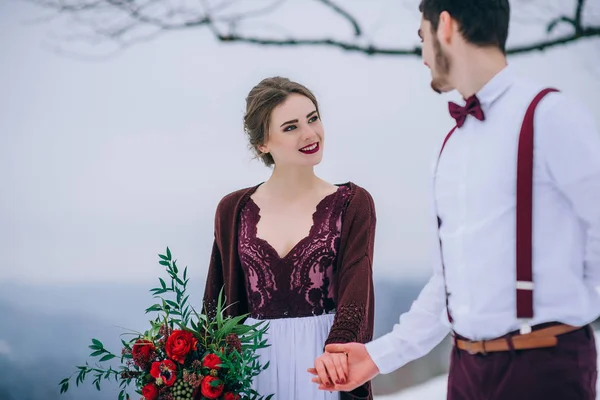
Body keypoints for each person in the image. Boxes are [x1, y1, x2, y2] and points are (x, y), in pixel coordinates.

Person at [310, 0, 600, 398]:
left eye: (421, 37)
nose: (423, 55)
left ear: (444, 26)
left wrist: (570, 312)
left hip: (545, 367)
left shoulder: (552, 116)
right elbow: (448, 284)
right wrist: (379, 357)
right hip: (464, 373)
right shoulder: (451, 145)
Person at [202, 76, 377, 400]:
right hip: (251, 370)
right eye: (291, 127)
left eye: (313, 118)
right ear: (262, 144)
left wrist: (339, 352)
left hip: (324, 368)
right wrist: (206, 369)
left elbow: (357, 291)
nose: (310, 134)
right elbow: (215, 302)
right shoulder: (232, 210)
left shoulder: (353, 204)